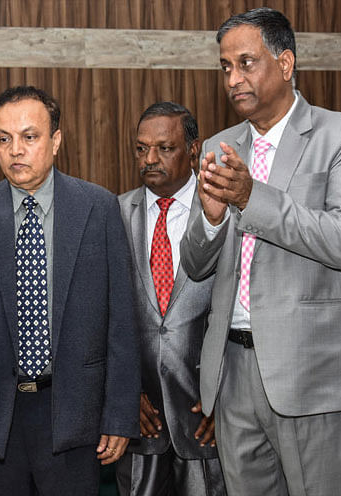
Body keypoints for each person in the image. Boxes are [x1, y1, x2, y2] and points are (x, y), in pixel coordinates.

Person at [180, 7, 341, 495]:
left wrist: (249, 198)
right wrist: (214, 218)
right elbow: (196, 265)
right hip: (233, 375)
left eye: (246, 63)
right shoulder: (220, 145)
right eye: (225, 68)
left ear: (285, 63)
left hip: (312, 375)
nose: (233, 79)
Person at [0, 85, 140, 495]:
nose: (15, 151)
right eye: (4, 139)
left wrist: (119, 415)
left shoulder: (98, 208)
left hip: (74, 413)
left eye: (29, 137)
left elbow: (122, 317)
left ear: (56, 140)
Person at [116, 102, 225, 496]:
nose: (150, 159)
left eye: (165, 148)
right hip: (140, 421)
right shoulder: (114, 214)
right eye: (141, 148)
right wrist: (123, 393)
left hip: (208, 420)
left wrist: (229, 402)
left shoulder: (225, 210)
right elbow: (102, 317)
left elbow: (244, 314)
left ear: (194, 151)